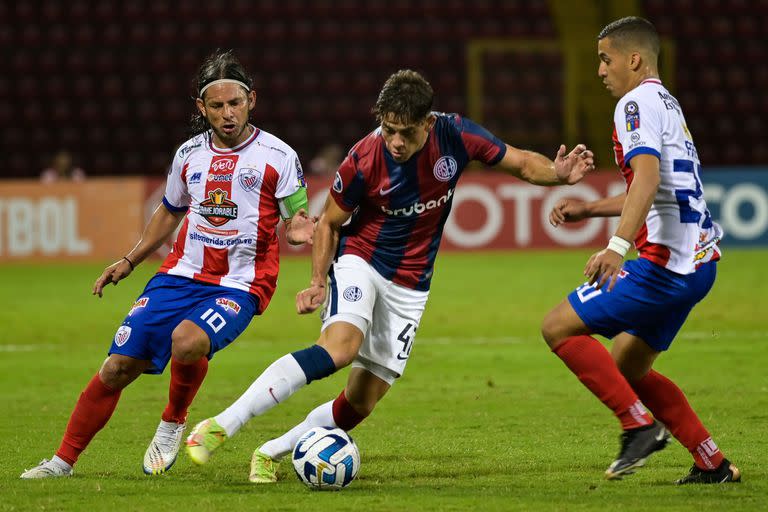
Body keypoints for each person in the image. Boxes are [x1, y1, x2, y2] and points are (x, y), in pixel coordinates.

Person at [184, 69, 596, 483]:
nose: (396, 141)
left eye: (406, 132)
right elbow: (328, 223)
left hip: (411, 284)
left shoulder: (455, 135)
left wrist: (557, 175)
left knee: (360, 401)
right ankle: (223, 424)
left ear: (427, 123)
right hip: (360, 260)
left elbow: (522, 162)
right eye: (388, 129)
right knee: (339, 349)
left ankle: (271, 451)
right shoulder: (363, 159)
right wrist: (317, 281)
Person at [20, 50, 314, 479]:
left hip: (241, 283)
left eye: (235, 103)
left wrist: (300, 230)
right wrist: (130, 259)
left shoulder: (279, 156)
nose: (227, 113)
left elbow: (296, 217)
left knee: (188, 340)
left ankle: (173, 420)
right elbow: (170, 210)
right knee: (117, 367)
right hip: (179, 275)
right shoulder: (189, 154)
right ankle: (61, 463)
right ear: (201, 108)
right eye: (217, 106)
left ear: (253, 100)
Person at [541, 17, 740, 484]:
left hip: (665, 267)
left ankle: (638, 428)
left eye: (605, 59)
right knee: (627, 366)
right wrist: (590, 209)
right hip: (699, 264)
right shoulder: (666, 103)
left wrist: (614, 247)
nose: (600, 71)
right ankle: (711, 461)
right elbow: (659, 188)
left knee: (558, 328)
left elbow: (647, 180)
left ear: (634, 59)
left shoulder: (633, 104)